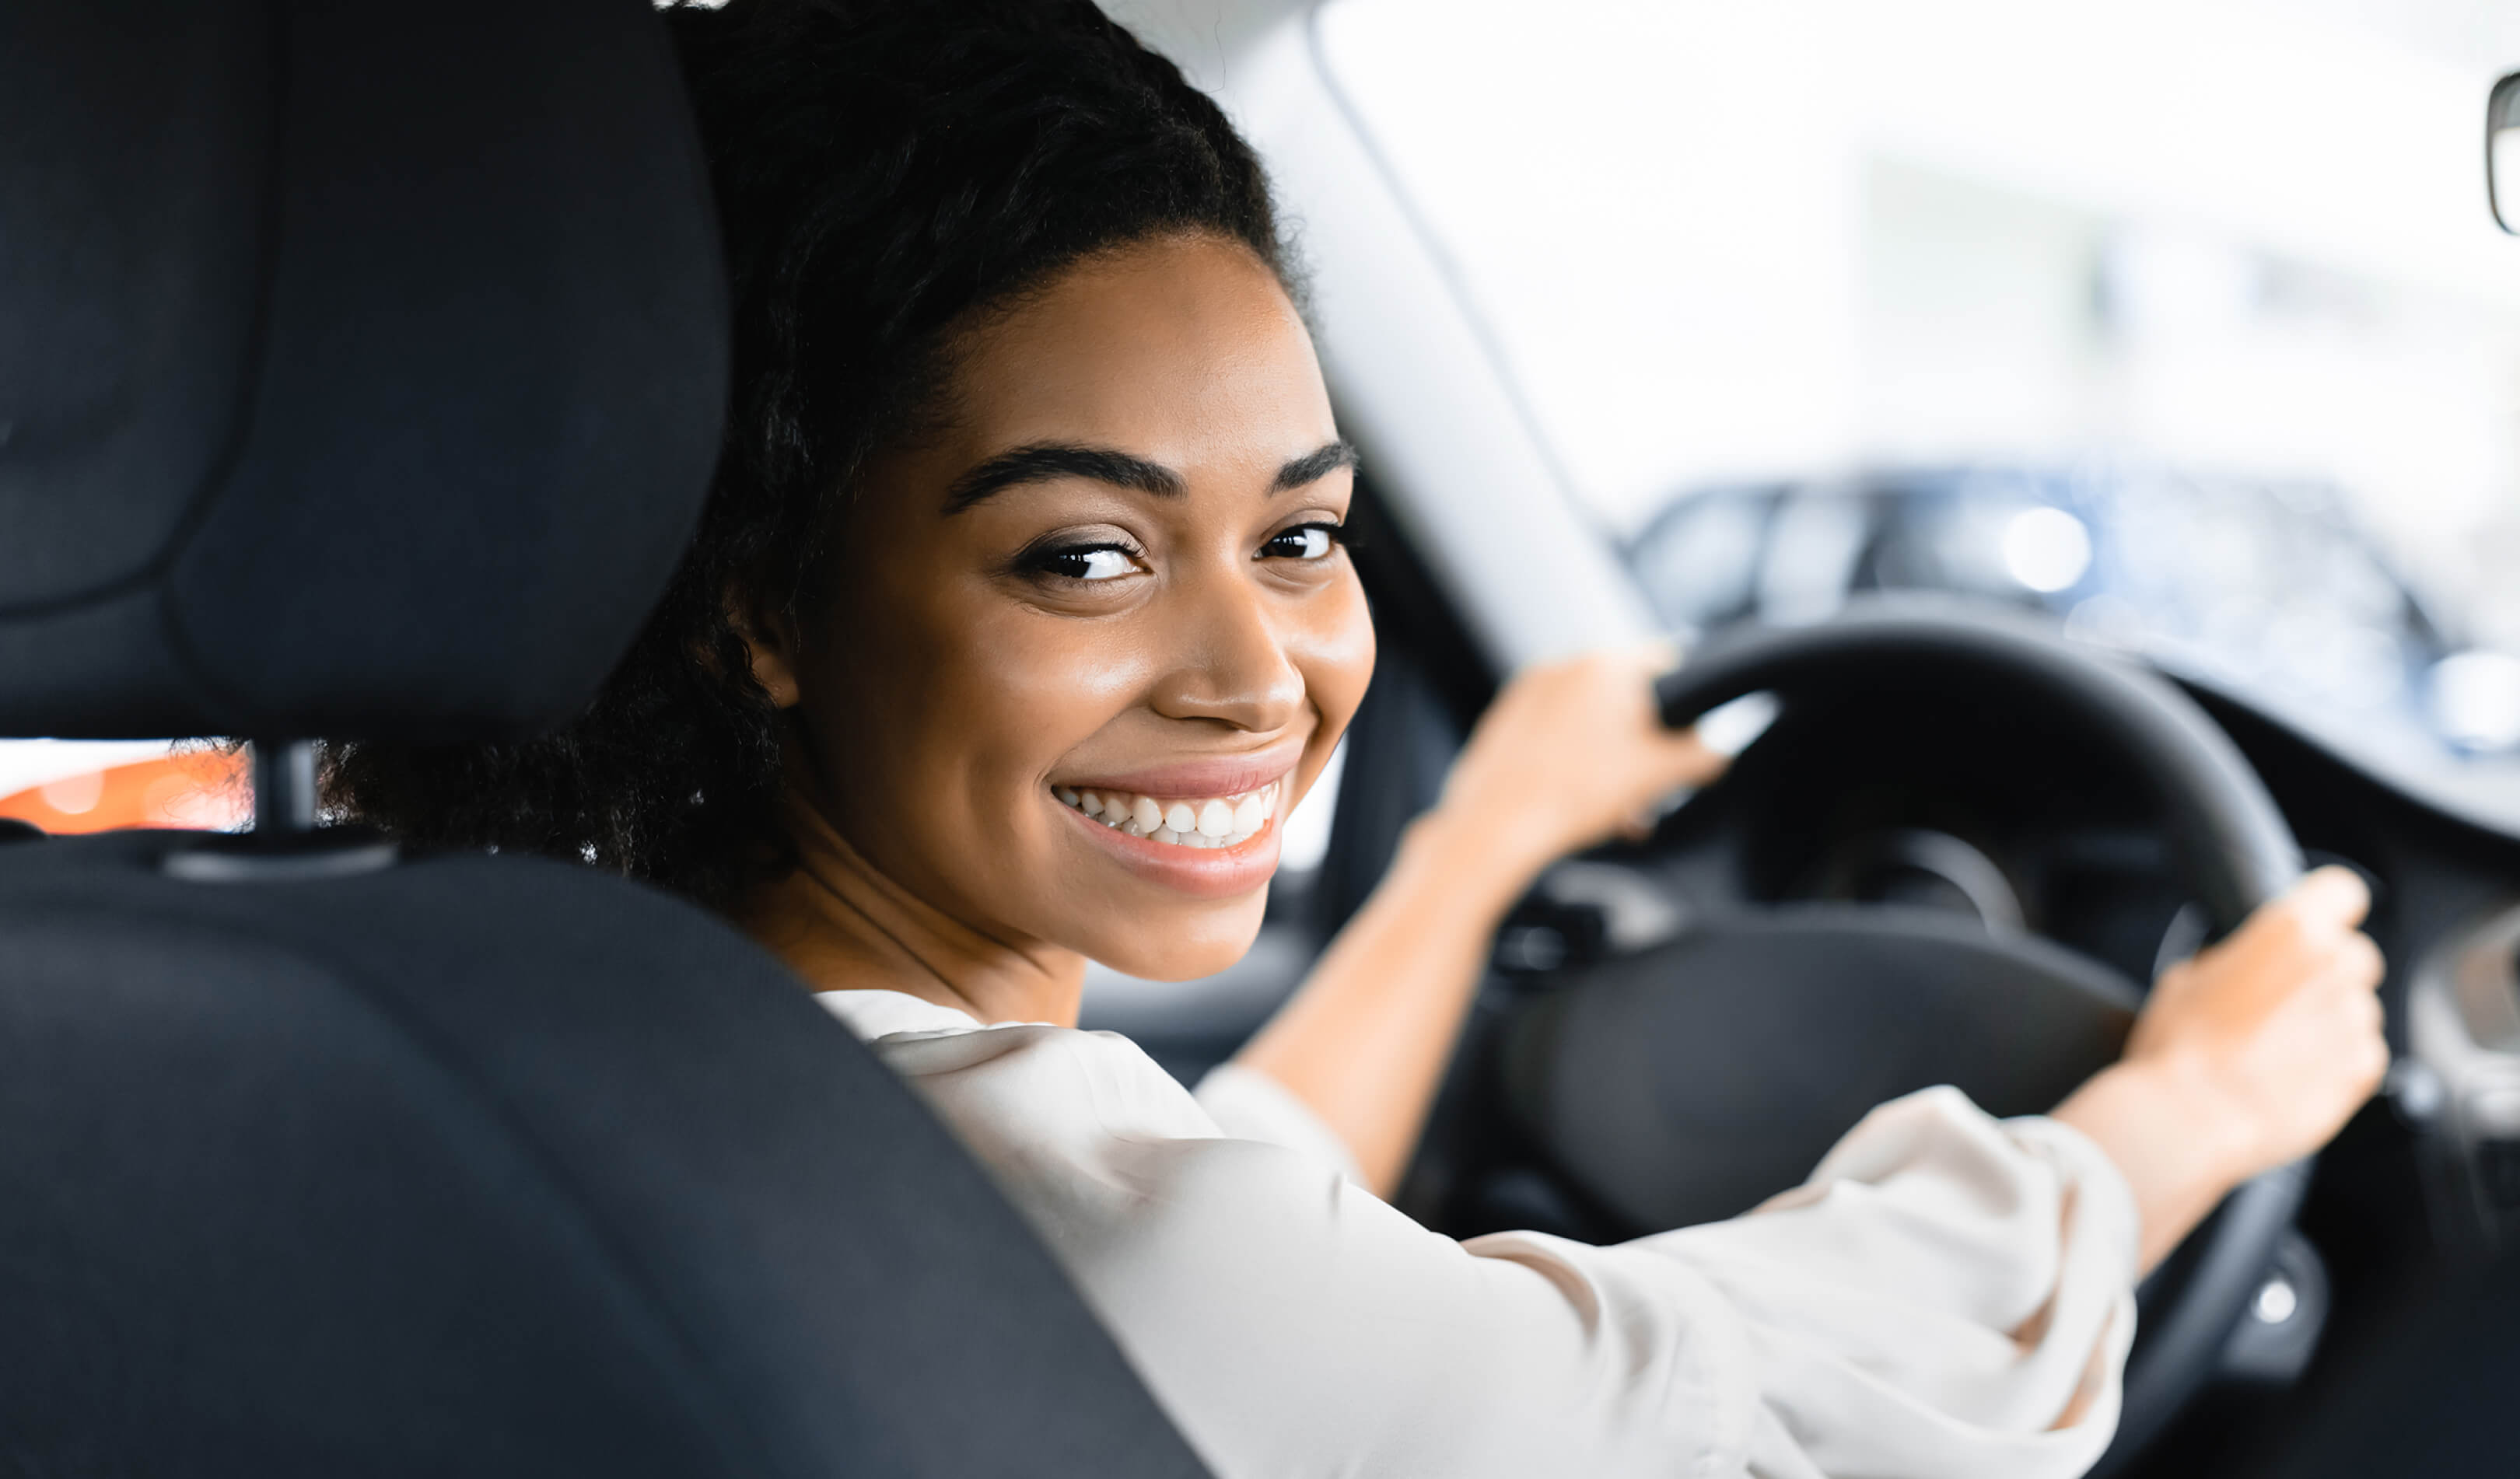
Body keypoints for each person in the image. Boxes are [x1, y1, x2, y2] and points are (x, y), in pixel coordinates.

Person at [326, 2, 2389, 1473]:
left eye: (1303, 531)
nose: (1263, 672)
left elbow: (1226, 1220)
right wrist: (2176, 1119)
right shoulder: (987, 1223)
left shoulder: (549, 1057)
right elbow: (1726, 1404)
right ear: (762, 603)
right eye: (1084, 556)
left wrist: (1476, 854)